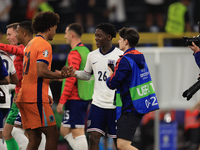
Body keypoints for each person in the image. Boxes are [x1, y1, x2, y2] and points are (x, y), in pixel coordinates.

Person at [15, 11, 72, 150]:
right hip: (35, 98)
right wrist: (60, 76)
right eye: (55, 28)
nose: (55, 31)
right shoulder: (44, 45)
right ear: (50, 27)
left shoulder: (30, 44)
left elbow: (33, 72)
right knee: (53, 134)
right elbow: (41, 71)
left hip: (24, 97)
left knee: (35, 139)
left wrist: (54, 75)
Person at [64, 23, 123, 150]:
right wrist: (73, 73)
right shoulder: (92, 55)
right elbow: (86, 75)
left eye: (99, 36)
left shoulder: (120, 55)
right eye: (95, 35)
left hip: (115, 105)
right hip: (97, 104)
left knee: (118, 143)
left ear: (109, 37)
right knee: (93, 137)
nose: (96, 38)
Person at [106, 27, 159, 150]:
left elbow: (112, 83)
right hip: (137, 105)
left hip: (129, 108)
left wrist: (110, 76)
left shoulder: (125, 60)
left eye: (120, 39)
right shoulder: (139, 57)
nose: (118, 42)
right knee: (121, 145)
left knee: (122, 145)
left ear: (126, 42)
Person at [56, 23, 94, 150]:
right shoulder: (86, 51)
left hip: (75, 98)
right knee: (64, 130)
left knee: (78, 132)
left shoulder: (74, 53)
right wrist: (61, 77)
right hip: (83, 95)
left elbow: (72, 78)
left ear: (72, 35)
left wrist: (62, 101)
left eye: (66, 33)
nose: (64, 37)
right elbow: (80, 75)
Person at [0, 49, 18, 150]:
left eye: (10, 35)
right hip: (6, 99)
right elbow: (15, 80)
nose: (7, 38)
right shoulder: (7, 56)